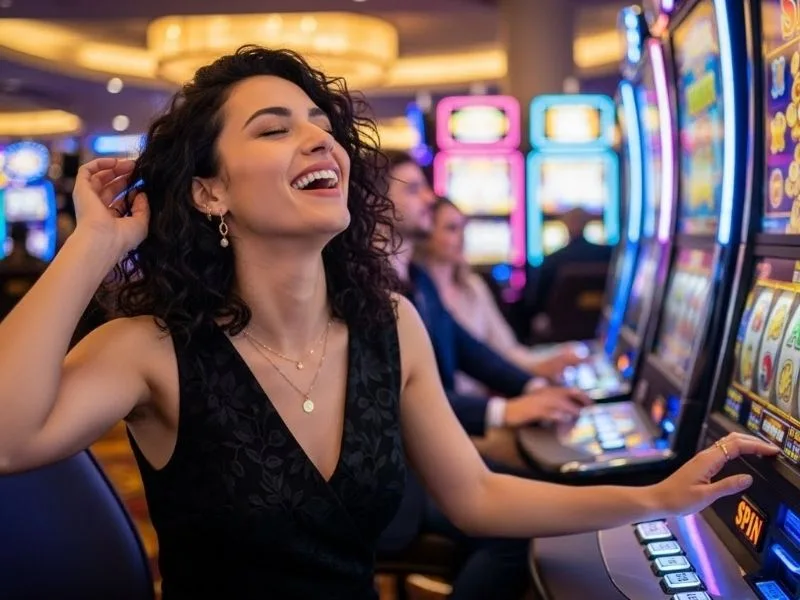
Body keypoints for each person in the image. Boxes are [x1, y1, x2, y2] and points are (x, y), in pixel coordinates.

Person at [0, 46, 777, 600]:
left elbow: (475, 497)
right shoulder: (153, 348)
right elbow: (9, 439)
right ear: (210, 194)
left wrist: (657, 499)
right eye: (273, 129)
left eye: (319, 123)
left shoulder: (388, 323)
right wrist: (94, 245)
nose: (318, 139)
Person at [415, 196, 582, 396]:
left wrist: (551, 359)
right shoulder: (417, 294)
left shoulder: (473, 287)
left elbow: (506, 350)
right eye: (451, 228)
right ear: (426, 233)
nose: (462, 237)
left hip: (478, 402)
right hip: (444, 404)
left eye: (463, 228)